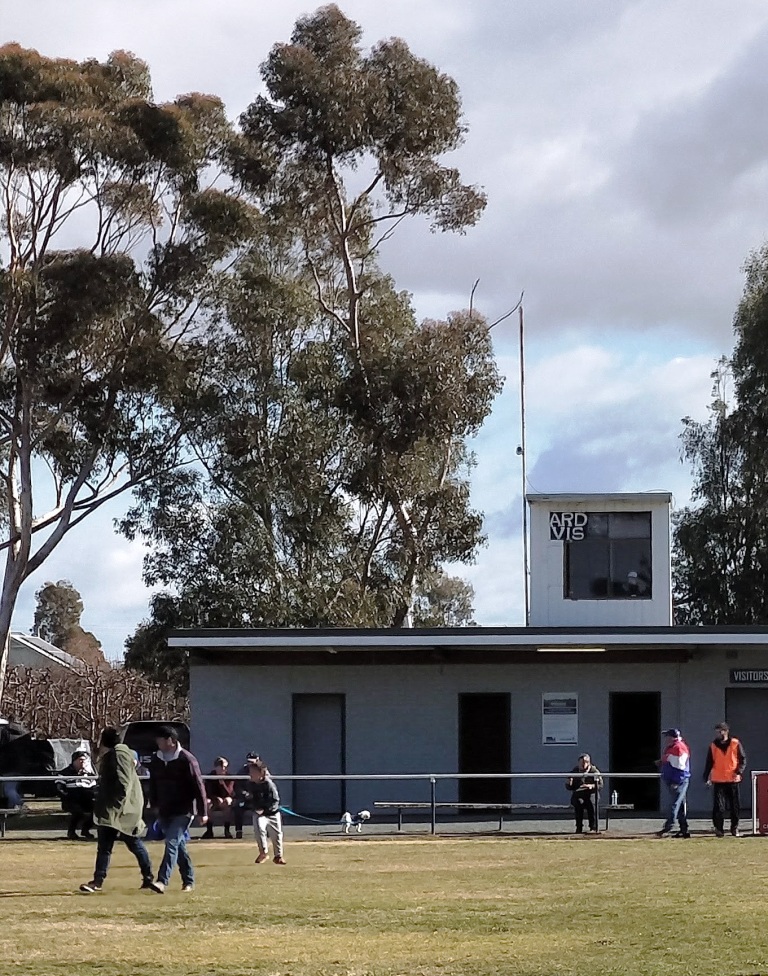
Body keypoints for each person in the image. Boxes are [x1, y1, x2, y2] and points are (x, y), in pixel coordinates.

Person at [79, 728, 155, 894]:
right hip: (115, 808)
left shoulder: (119, 755)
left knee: (131, 843)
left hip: (119, 810)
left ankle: (148, 877)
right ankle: (98, 881)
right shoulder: (120, 754)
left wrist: (116, 804)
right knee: (109, 846)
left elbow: (124, 782)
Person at [146, 726, 208, 893]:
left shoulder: (186, 759)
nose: (158, 743)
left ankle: (162, 881)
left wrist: (203, 812)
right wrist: (154, 804)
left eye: (161, 739)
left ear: (171, 740)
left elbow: (199, 786)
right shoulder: (156, 759)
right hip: (165, 810)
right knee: (178, 847)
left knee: (171, 842)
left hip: (184, 810)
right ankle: (189, 880)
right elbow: (153, 783)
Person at [704, 721, 746, 837]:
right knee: (719, 807)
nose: (718, 734)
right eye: (717, 732)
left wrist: (738, 771)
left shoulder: (735, 743)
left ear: (726, 731)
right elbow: (709, 762)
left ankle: (734, 828)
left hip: (733, 779)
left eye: (720, 731)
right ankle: (719, 829)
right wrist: (706, 777)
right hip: (718, 780)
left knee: (735, 806)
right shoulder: (713, 745)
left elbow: (742, 759)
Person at [248, 758, 285, 865]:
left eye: (253, 772)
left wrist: (265, 810)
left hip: (272, 813)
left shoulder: (269, 784)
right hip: (259, 814)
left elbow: (275, 800)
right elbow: (251, 799)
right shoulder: (251, 784)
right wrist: (255, 807)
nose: (250, 774)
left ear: (261, 773)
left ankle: (278, 856)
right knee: (259, 830)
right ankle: (263, 853)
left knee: (276, 834)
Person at [657, 728, 691, 838]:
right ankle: (684, 830)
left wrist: (676, 781)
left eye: (667, 736)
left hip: (678, 781)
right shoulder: (673, 747)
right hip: (674, 780)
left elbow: (681, 767)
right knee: (679, 805)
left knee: (675, 804)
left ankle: (668, 826)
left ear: (672, 737)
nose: (666, 739)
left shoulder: (678, 748)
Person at [55, 750, 96, 840]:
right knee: (78, 812)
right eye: (80, 760)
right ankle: (71, 832)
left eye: (85, 760)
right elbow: (59, 788)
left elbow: (94, 788)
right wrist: (66, 796)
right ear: (74, 761)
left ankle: (85, 829)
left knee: (98, 811)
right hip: (71, 799)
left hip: (87, 799)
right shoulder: (64, 773)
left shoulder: (90, 775)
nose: (83, 762)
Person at [565, 753, 603, 833]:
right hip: (579, 793)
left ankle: (593, 827)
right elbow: (569, 788)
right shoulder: (574, 772)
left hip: (591, 793)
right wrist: (569, 783)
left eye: (586, 762)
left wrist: (591, 786)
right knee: (578, 803)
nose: (583, 765)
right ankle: (579, 827)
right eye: (581, 763)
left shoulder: (594, 771)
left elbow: (600, 785)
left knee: (591, 803)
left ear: (589, 762)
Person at [201, 756, 235, 839]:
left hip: (225, 798)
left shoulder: (229, 777)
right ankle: (209, 830)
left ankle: (227, 830)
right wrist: (215, 798)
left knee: (228, 801)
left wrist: (221, 782)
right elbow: (208, 791)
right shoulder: (210, 777)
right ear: (216, 767)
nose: (224, 769)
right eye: (221, 766)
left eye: (225, 767)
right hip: (214, 800)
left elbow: (229, 792)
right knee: (207, 803)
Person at [233, 751, 259, 838]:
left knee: (264, 808)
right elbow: (237, 787)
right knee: (238, 806)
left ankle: (264, 831)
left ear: (257, 760)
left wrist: (256, 795)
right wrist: (245, 794)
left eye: (252, 762)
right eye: (248, 761)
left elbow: (267, 786)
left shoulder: (262, 770)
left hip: (258, 799)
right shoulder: (242, 771)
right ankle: (239, 831)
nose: (250, 764)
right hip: (245, 799)